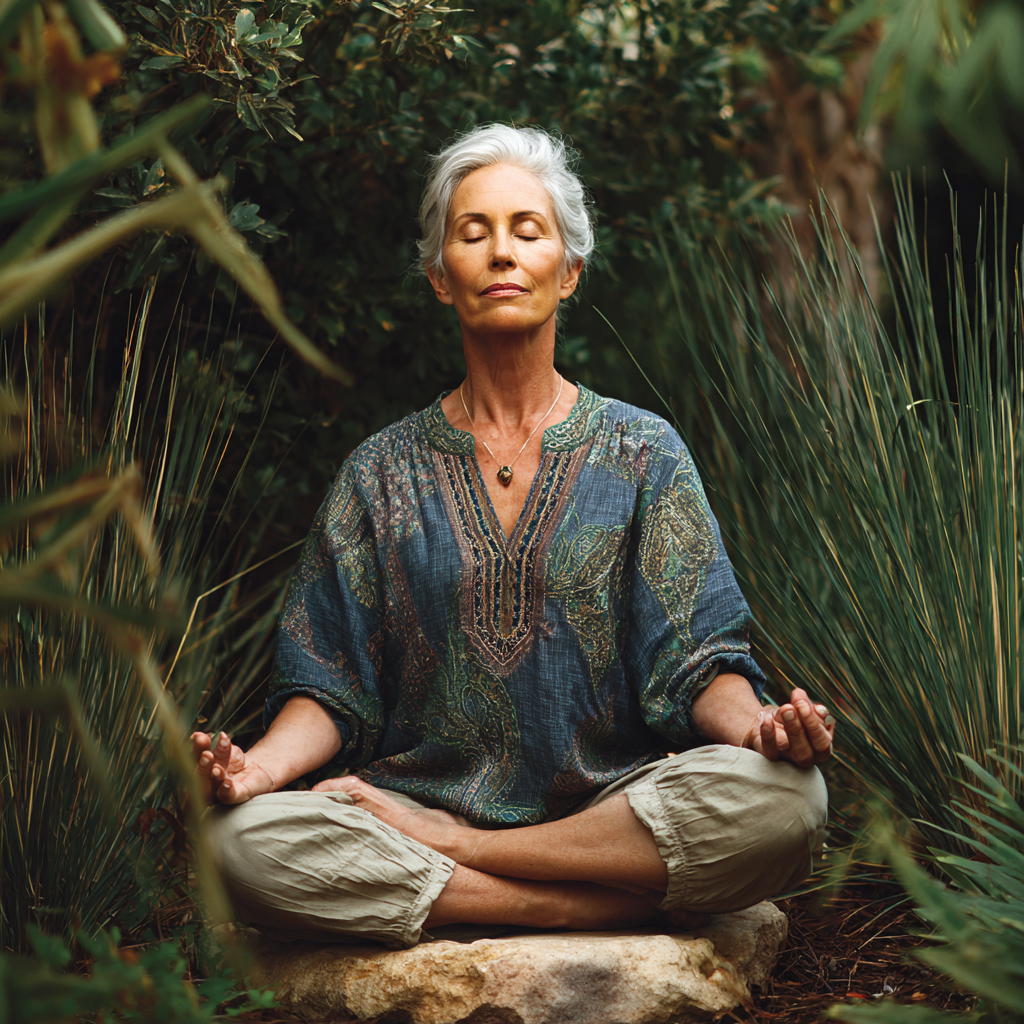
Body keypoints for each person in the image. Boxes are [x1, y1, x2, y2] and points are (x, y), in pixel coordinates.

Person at [193, 124, 833, 950]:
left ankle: (476, 869)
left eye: (528, 232)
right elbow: (328, 681)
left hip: (613, 808)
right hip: (418, 809)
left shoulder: (643, 452)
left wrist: (759, 733)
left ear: (567, 272)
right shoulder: (379, 473)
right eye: (474, 232)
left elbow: (699, 659)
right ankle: (577, 907)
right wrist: (259, 771)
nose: (502, 252)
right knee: (235, 844)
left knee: (789, 800)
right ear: (438, 277)